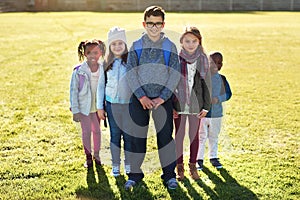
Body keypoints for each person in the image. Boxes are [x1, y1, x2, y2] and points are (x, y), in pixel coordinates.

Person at [124, 5, 181, 190]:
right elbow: (131, 72)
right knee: (136, 137)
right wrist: (141, 97)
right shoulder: (137, 45)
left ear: (163, 25)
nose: (154, 27)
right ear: (144, 23)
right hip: (139, 99)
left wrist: (162, 98)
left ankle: (169, 175)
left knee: (165, 137)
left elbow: (174, 74)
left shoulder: (169, 46)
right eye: (150, 23)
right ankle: (134, 175)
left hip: (162, 100)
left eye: (157, 24)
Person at [173, 26, 211, 181]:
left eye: (194, 41)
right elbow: (170, 84)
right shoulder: (176, 59)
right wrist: (170, 107)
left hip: (196, 105)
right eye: (187, 41)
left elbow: (207, 85)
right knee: (179, 136)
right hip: (179, 105)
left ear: (199, 42)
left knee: (194, 136)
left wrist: (206, 107)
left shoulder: (203, 60)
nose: (190, 44)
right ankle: (179, 167)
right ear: (181, 42)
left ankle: (193, 166)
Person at [97, 26, 132, 177]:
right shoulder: (105, 64)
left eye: (120, 43)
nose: (117, 47)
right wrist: (100, 107)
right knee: (115, 135)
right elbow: (100, 87)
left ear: (125, 44)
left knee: (129, 136)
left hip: (129, 105)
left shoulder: (130, 62)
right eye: (114, 44)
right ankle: (116, 164)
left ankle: (129, 164)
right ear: (110, 47)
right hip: (112, 105)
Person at [70, 39, 106, 168]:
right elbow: (73, 92)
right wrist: (75, 110)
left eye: (95, 52)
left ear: (100, 53)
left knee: (96, 131)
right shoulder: (78, 71)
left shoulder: (103, 70)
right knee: (86, 132)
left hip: (97, 108)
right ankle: (88, 156)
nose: (92, 55)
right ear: (85, 54)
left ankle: (97, 155)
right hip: (83, 108)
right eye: (89, 52)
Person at [196, 51, 232, 170]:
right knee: (201, 136)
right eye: (212, 62)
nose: (215, 65)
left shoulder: (222, 79)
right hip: (202, 114)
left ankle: (213, 157)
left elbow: (228, 94)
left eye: (218, 63)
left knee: (213, 136)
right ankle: (199, 159)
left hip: (216, 114)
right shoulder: (202, 78)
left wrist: (218, 99)